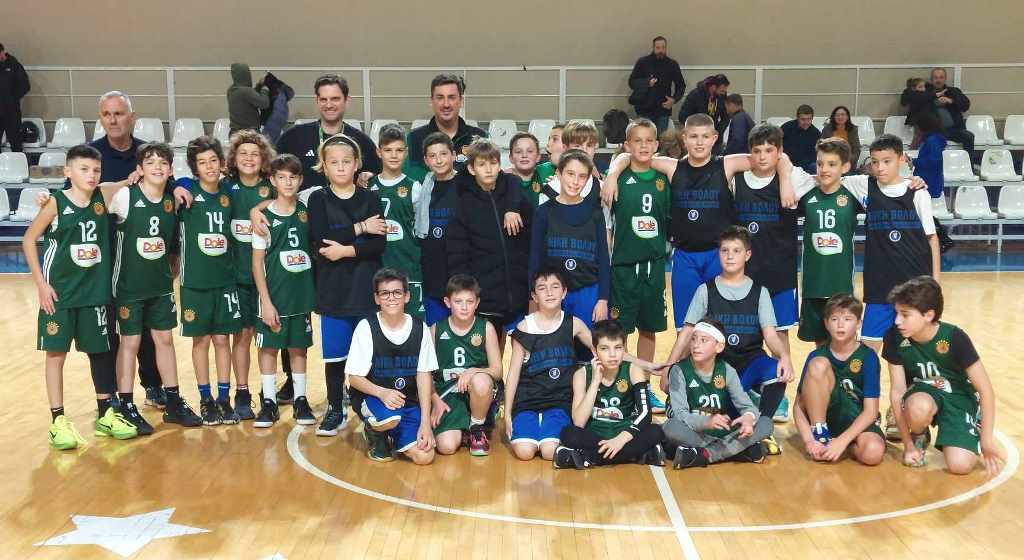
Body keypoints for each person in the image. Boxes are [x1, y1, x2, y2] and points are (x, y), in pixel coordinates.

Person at [602, 113, 796, 334]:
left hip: (717, 256)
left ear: (714, 138)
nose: (699, 142)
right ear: (684, 139)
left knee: (719, 324)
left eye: (705, 136)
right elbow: (631, 156)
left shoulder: (727, 164)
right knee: (685, 325)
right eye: (694, 136)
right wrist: (612, 175)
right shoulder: (673, 167)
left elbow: (778, 157)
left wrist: (785, 181)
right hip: (685, 257)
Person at [22, 145, 138, 449]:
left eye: (96, 170)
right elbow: (29, 239)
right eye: (84, 169)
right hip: (60, 294)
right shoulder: (55, 202)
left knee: (101, 353)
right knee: (56, 355)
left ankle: (105, 414)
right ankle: (57, 421)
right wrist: (41, 284)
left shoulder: (104, 195)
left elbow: (130, 180)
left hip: (95, 294)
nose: (91, 175)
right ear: (68, 172)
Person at [659, 226, 795, 455]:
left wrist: (785, 356)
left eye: (736, 251)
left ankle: (760, 426)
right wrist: (669, 367)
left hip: (749, 363)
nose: (730, 256)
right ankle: (734, 437)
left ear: (747, 255)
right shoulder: (705, 291)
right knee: (710, 416)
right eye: (725, 251)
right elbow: (687, 331)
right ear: (718, 254)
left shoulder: (759, 292)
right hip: (717, 368)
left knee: (776, 371)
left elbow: (771, 335)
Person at [111, 142, 201, 433]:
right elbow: (94, 196)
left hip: (161, 285)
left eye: (163, 162)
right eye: (150, 162)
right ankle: (125, 405)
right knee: (130, 343)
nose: (157, 167)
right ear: (139, 169)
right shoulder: (125, 196)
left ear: (171, 169)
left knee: (165, 340)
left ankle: (173, 401)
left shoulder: (172, 200)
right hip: (128, 287)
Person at [732, 123, 817, 422]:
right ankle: (752, 388)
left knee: (779, 333)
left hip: (779, 272)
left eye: (770, 150)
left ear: (779, 152)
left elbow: (830, 181)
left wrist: (785, 173)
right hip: (745, 274)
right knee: (746, 331)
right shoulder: (737, 181)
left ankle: (780, 393)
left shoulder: (794, 178)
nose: (763, 156)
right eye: (757, 151)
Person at [306, 134, 387, 435]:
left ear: (356, 164)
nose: (340, 167)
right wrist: (362, 227)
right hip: (333, 290)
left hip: (365, 287)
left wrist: (344, 250)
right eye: (333, 162)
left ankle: (367, 405)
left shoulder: (371, 198)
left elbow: (378, 244)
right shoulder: (318, 199)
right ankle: (335, 408)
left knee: (369, 355)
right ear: (324, 166)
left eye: (346, 161)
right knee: (336, 356)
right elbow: (320, 238)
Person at [883, 276, 1003, 475]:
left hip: (957, 396)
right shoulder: (893, 337)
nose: (897, 321)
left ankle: (974, 420)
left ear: (928, 315)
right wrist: (908, 445)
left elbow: (985, 390)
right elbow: (897, 392)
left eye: (905, 315)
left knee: (960, 466)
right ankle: (920, 436)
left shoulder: (955, 337)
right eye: (896, 313)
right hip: (922, 394)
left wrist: (987, 440)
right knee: (918, 407)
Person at [91, 91, 166, 408]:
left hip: (141, 257)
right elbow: (76, 194)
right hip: (104, 257)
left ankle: (154, 385)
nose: (113, 120)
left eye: (119, 113)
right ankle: (111, 394)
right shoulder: (91, 155)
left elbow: (169, 184)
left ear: (131, 118)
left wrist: (180, 186)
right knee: (109, 329)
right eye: (107, 114)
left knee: (146, 327)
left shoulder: (146, 154)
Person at [843, 134, 939, 351]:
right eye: (875, 162)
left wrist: (936, 284)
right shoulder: (864, 185)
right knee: (867, 350)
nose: (880, 168)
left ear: (901, 159)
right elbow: (826, 176)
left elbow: (931, 239)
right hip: (879, 287)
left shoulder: (917, 192)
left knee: (913, 351)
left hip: (915, 286)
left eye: (887, 161)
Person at [178, 136, 242, 426]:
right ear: (195, 168)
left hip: (225, 280)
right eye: (202, 163)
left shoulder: (228, 193)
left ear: (222, 162)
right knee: (201, 341)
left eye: (213, 160)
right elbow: (171, 183)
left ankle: (224, 398)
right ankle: (205, 399)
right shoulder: (186, 192)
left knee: (222, 340)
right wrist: (177, 183)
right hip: (195, 282)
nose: (209, 167)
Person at [251, 154, 317, 428]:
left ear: (300, 180)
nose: (288, 182)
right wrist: (265, 302)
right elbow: (257, 263)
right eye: (282, 177)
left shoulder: (307, 208)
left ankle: (300, 399)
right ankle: (269, 401)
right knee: (268, 347)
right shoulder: (263, 218)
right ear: (273, 180)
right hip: (274, 296)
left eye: (293, 177)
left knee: (298, 347)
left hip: (301, 295)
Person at [607, 119, 669, 408]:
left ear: (656, 145)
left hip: (654, 267)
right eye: (637, 140)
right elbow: (607, 222)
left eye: (648, 140)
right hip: (623, 268)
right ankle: (621, 387)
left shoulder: (665, 178)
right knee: (619, 333)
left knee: (649, 328)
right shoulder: (617, 178)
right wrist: (613, 171)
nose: (643, 145)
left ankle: (643, 387)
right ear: (626, 145)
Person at [347, 268, 437, 465]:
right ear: (376, 298)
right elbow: (353, 378)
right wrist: (382, 393)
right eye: (384, 293)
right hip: (372, 396)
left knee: (425, 457)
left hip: (407, 401)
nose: (391, 298)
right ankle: (375, 431)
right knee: (390, 418)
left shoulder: (420, 328)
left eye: (397, 292)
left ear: (407, 296)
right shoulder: (366, 327)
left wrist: (425, 423)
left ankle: (394, 435)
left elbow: (424, 375)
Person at [446, 139, 530, 346]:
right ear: (471, 169)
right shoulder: (463, 203)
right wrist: (469, 291)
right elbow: (457, 253)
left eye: (493, 163)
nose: (489, 169)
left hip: (519, 294)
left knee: (521, 354)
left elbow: (531, 240)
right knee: (488, 354)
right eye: (482, 164)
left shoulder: (514, 195)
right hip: (485, 299)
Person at [505, 269, 593, 461]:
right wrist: (507, 414)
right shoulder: (524, 327)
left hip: (559, 403)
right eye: (542, 288)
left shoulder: (574, 324)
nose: (550, 292)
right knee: (524, 453)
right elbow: (513, 374)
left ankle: (546, 429)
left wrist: (645, 365)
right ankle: (530, 426)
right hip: (527, 402)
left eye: (555, 287)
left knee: (549, 452)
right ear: (534, 296)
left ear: (564, 292)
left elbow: (604, 349)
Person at [555, 320, 665, 469]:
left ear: (624, 349)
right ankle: (637, 455)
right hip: (595, 435)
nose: (612, 355)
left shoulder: (633, 370)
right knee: (568, 433)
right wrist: (595, 381)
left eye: (618, 348)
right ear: (595, 351)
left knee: (656, 431)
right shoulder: (581, 374)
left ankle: (588, 456)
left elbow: (645, 414)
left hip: (625, 434)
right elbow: (579, 422)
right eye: (605, 349)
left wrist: (620, 440)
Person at [664, 316, 772, 468]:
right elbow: (680, 415)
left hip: (721, 431)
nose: (696, 345)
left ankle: (705, 455)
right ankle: (736, 451)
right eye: (693, 339)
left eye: (704, 340)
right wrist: (707, 422)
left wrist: (748, 418)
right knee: (670, 427)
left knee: (766, 423)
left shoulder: (727, 370)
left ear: (719, 347)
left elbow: (747, 406)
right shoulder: (679, 370)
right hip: (693, 432)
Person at [793, 294, 885, 466]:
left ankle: (845, 447)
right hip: (825, 420)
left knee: (873, 453)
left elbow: (871, 412)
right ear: (826, 324)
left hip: (856, 423)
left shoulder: (868, 357)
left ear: (858, 324)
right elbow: (798, 406)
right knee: (819, 365)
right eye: (834, 319)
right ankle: (820, 434)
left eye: (848, 319)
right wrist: (809, 441)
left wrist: (842, 442)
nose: (840, 324)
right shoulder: (816, 356)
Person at [224, 130, 277, 420]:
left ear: (264, 158)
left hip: (268, 278)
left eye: (255, 154)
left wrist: (259, 207)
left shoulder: (271, 187)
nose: (248, 158)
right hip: (237, 277)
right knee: (242, 336)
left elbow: (290, 199)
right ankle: (242, 393)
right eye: (243, 153)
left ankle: (269, 393)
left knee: (268, 337)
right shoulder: (225, 187)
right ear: (234, 158)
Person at [529, 149, 610, 329]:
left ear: (588, 179)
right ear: (559, 174)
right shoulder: (543, 212)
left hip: (588, 292)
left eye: (582, 176)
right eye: (570, 174)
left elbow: (604, 258)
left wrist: (603, 299)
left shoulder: (595, 213)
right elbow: (535, 258)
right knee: (556, 343)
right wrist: (533, 297)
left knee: (588, 344)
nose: (575, 181)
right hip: (552, 292)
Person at [796, 138, 861, 345]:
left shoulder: (853, 194)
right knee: (820, 344)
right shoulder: (807, 194)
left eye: (832, 164)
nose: (824, 169)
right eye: (820, 163)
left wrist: (913, 180)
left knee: (844, 341)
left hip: (841, 284)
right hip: (813, 284)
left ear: (845, 167)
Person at [429, 275, 503, 457]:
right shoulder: (435, 330)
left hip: (476, 391)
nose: (464, 307)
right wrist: (434, 400)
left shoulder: (486, 328)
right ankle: (463, 430)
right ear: (447, 302)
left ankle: (476, 428)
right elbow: (425, 374)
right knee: (447, 447)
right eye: (458, 301)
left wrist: (473, 371)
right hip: (448, 395)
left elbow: (498, 371)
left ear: (477, 303)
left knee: (481, 380)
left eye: (469, 301)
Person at [275, 74, 381, 193]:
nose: (329, 105)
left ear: (347, 100)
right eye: (323, 99)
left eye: (335, 99)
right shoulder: (293, 137)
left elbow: (380, 177)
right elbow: (272, 173)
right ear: (317, 101)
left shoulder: (361, 141)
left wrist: (369, 176)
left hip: (346, 204)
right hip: (303, 205)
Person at [368, 124, 425, 319]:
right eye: (388, 150)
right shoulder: (368, 187)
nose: (394, 155)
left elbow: (421, 230)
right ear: (379, 152)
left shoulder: (414, 187)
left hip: (409, 268)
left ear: (406, 153)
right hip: (379, 269)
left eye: (399, 150)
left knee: (414, 325)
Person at [403, 74, 487, 182]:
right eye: (440, 98)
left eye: (451, 97)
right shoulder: (414, 139)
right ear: (432, 101)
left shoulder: (480, 137)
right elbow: (409, 181)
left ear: (461, 101)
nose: (446, 104)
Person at [414, 133, 460, 327]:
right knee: (437, 332)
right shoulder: (421, 188)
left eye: (443, 154)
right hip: (433, 272)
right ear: (426, 160)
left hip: (460, 270)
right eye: (432, 156)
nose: (439, 160)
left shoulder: (466, 185)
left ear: (453, 155)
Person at [627, 36, 685, 135]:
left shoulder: (672, 64)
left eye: (663, 47)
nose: (660, 51)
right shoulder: (643, 62)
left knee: (661, 139)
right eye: (658, 48)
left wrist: (674, 99)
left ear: (666, 48)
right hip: (644, 109)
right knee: (645, 137)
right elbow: (631, 82)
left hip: (663, 109)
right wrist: (647, 83)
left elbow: (681, 86)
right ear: (653, 48)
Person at [913, 112, 954, 252]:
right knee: (923, 212)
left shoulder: (932, 140)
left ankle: (943, 238)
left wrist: (914, 162)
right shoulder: (933, 139)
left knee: (923, 213)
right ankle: (942, 239)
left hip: (928, 181)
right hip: (927, 180)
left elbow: (934, 162)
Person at [929, 68, 974, 151]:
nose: (938, 80)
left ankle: (968, 159)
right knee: (933, 140)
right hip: (934, 130)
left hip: (954, 129)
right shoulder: (926, 93)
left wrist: (951, 101)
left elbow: (966, 105)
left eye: (941, 77)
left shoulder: (954, 91)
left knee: (969, 136)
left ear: (945, 79)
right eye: (936, 78)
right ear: (931, 80)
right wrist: (934, 103)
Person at [677, 74, 730, 140]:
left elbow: (726, 117)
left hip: (714, 137)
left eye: (725, 91)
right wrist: (697, 129)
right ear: (713, 87)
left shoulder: (722, 96)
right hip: (697, 137)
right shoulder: (695, 95)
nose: (723, 93)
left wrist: (718, 131)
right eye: (722, 91)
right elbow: (682, 116)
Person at [0, 43, 30, 152]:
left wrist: (12, 98)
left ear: (2, 52)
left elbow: (25, 86)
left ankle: (18, 162)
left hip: (11, 111)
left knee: (16, 143)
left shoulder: (14, 65)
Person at [226, 63, 270, 134]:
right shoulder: (246, 91)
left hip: (235, 132)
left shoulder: (231, 90)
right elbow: (264, 104)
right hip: (249, 133)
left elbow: (250, 98)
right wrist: (265, 90)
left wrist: (259, 85)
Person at [507, 132, 544, 208]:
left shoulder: (545, 171)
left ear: (538, 157)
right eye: (518, 152)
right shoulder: (504, 180)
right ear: (511, 158)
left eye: (530, 151)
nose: (524, 155)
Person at [781, 105, 821, 173]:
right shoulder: (786, 128)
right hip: (787, 163)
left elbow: (815, 155)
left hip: (807, 166)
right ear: (797, 118)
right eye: (803, 119)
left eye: (809, 119)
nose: (806, 122)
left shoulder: (816, 133)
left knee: (816, 167)